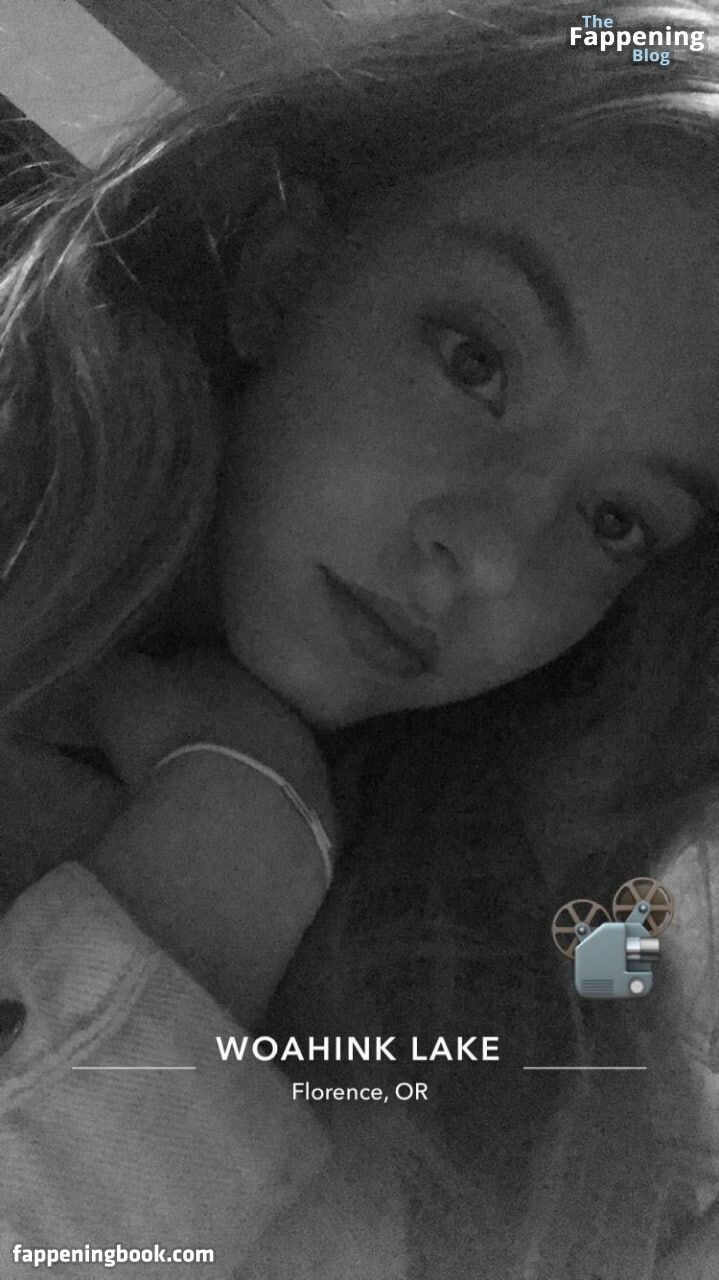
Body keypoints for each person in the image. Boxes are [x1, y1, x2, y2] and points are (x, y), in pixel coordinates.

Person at [1, 2, 719, 1275]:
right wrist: (219, 869)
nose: (490, 554)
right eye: (473, 361)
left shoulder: (522, 1049)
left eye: (614, 518)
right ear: (284, 274)